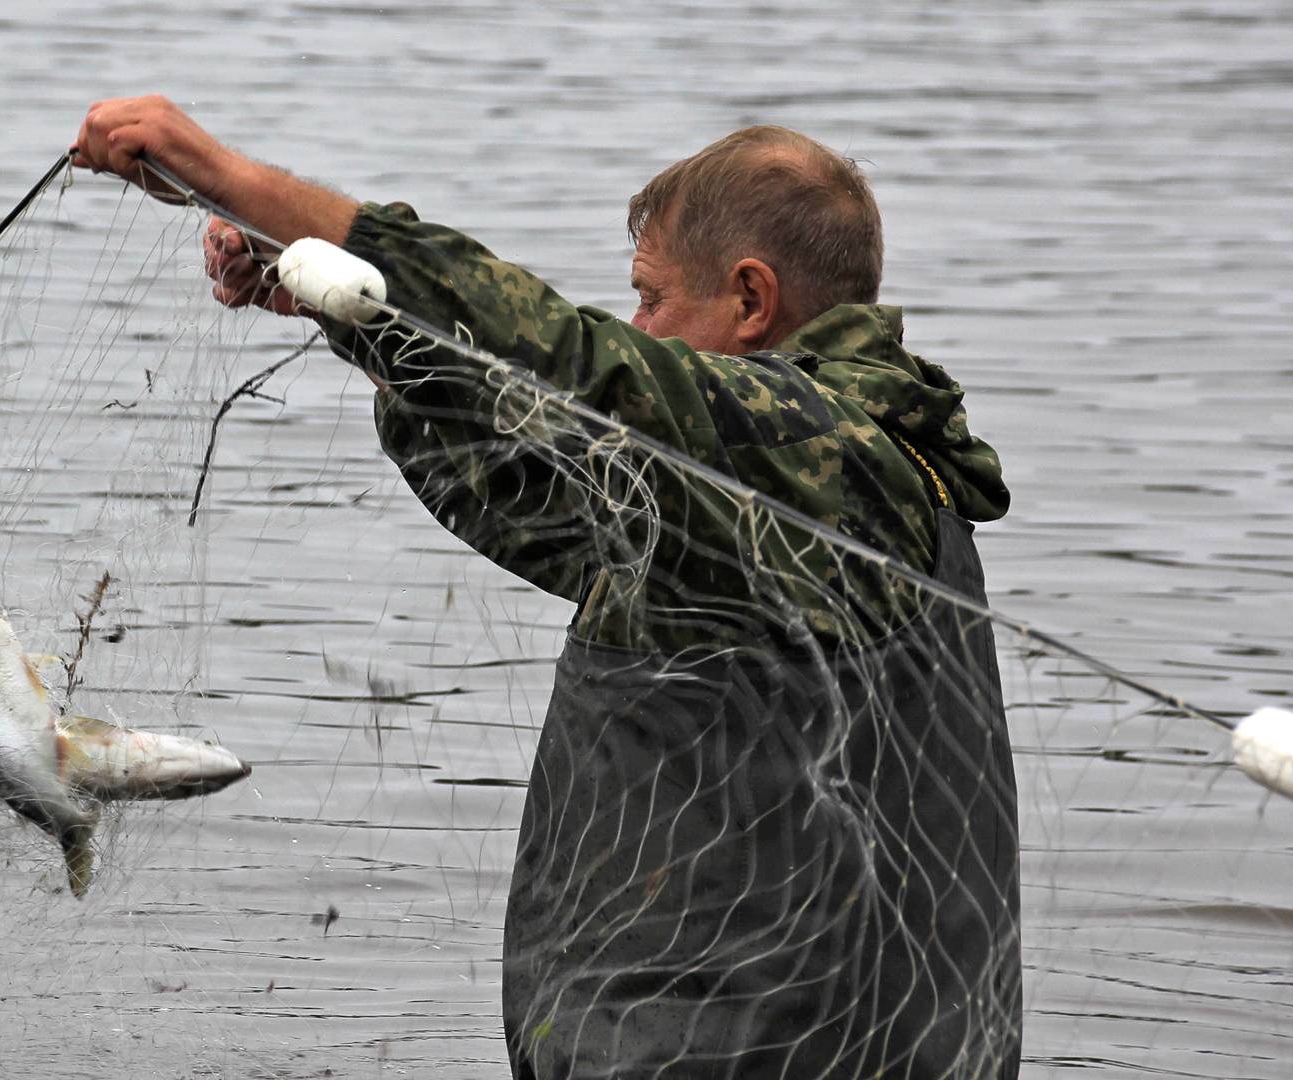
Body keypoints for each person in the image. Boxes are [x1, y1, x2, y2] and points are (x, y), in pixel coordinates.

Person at [74, 96, 1021, 1080]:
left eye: (652, 298)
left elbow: (574, 364)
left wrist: (237, 179)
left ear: (750, 302)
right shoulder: (752, 498)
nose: (639, 325)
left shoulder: (832, 457)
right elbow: (509, 482)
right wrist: (345, 306)